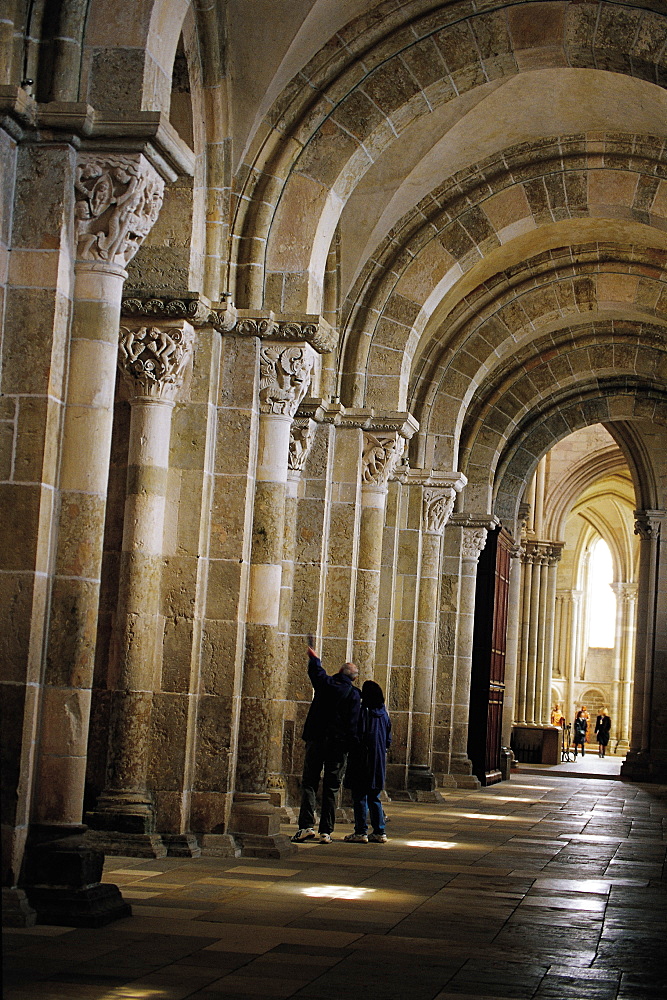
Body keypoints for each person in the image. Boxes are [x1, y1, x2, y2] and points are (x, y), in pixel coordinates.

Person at [292, 644, 360, 844]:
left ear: (339, 672)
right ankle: (326, 831)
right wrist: (351, 747)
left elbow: (316, 672)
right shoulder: (354, 695)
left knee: (310, 783)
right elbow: (354, 725)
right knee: (331, 787)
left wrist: (314, 658)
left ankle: (305, 826)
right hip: (338, 747)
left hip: (317, 740)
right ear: (354, 679)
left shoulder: (326, 684)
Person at [343, 680, 392, 844]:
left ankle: (360, 831)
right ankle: (379, 831)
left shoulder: (363, 711)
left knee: (359, 796)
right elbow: (388, 740)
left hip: (362, 758)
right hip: (378, 760)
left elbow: (356, 733)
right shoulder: (384, 714)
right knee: (374, 796)